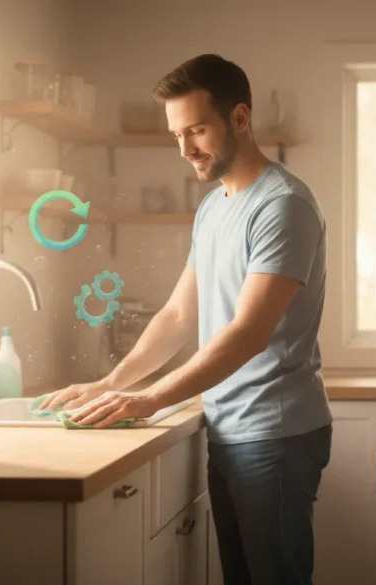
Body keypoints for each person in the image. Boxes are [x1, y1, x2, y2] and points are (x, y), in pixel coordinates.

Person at [39, 54, 333, 585]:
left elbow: (248, 332)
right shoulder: (214, 206)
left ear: (239, 118)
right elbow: (178, 313)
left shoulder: (283, 205)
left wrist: (151, 398)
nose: (185, 149)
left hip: (275, 435)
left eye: (196, 130)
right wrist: (112, 382)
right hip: (228, 427)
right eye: (177, 134)